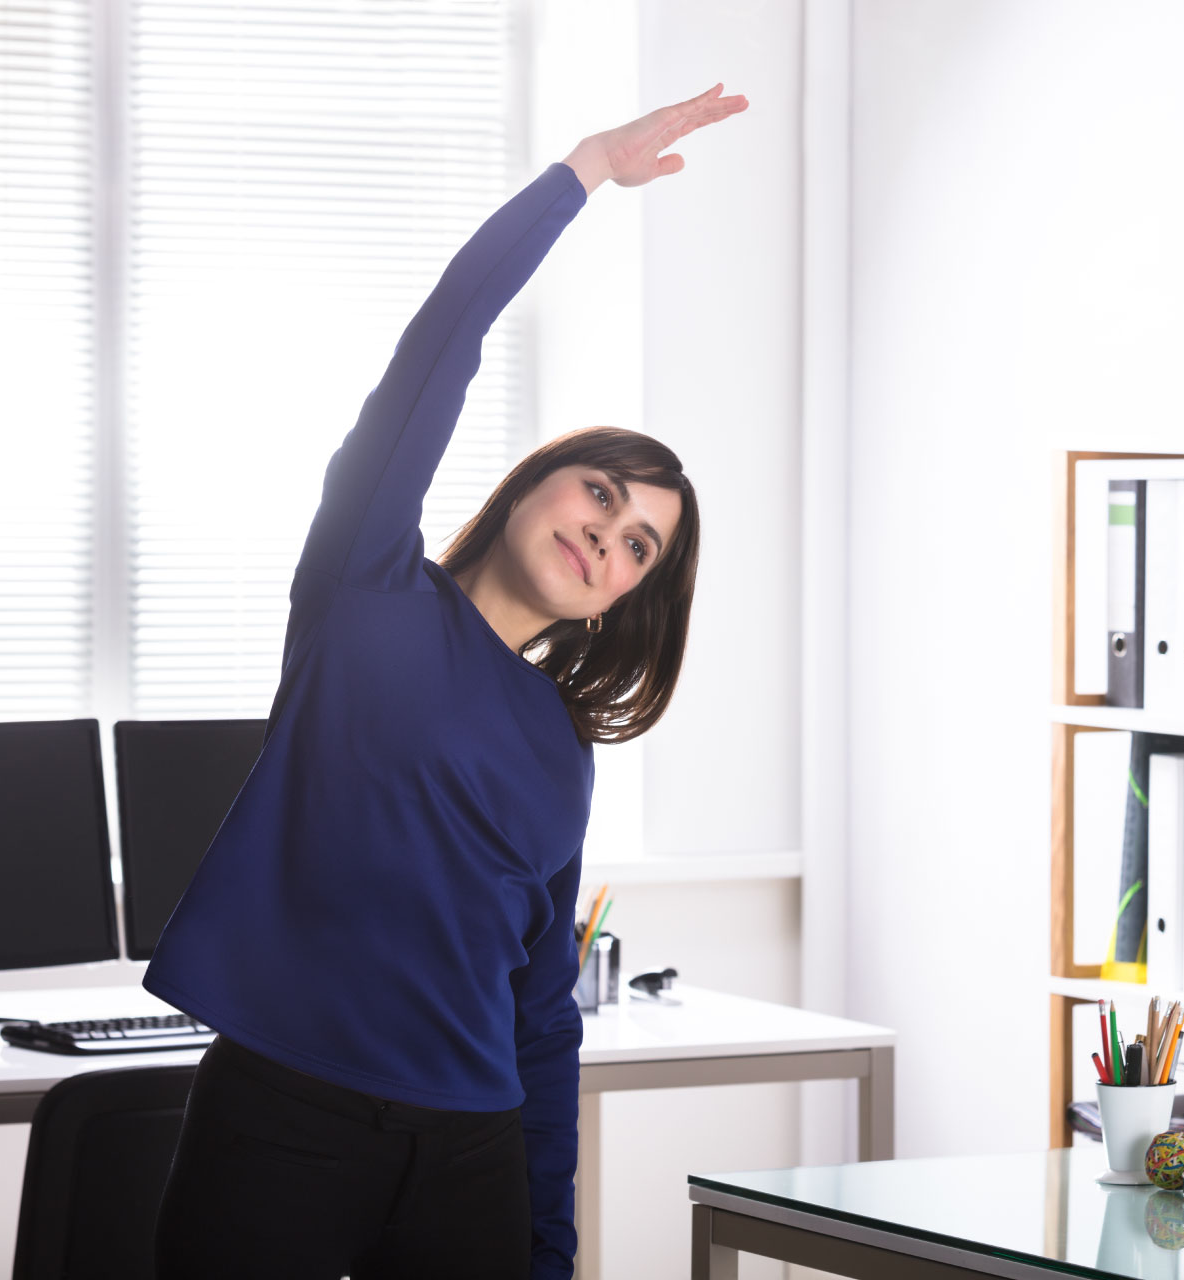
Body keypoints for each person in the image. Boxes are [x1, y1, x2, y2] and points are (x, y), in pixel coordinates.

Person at [145, 83, 748, 1280]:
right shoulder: (364, 588)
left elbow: (539, 1011)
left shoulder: (558, 745)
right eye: (601, 496)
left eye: (639, 548)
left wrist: (548, 1241)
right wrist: (578, 173)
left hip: (468, 1152)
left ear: (628, 597)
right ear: (537, 481)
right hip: (285, 1120)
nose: (608, 538)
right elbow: (440, 344)